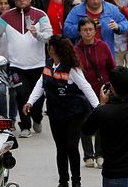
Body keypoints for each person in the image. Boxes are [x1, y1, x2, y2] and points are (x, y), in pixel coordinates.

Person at [24, 35, 100, 187]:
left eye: (51, 48)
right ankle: (63, 181)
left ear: (57, 50)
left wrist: (98, 108)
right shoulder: (49, 66)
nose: (49, 51)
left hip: (74, 113)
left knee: (72, 146)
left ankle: (76, 181)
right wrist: (30, 102)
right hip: (55, 113)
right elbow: (41, 84)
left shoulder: (71, 68)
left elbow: (86, 88)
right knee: (61, 147)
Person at [0, 0, 52, 138]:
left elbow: (49, 36)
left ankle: (37, 117)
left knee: (39, 97)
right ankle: (25, 126)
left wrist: (38, 35)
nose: (22, 0)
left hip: (38, 65)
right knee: (21, 95)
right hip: (16, 66)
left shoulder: (40, 15)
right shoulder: (6, 17)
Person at [75, 17, 115, 168]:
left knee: (102, 122)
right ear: (79, 32)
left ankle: (100, 154)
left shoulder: (103, 46)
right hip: (82, 92)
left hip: (102, 91)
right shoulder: (76, 50)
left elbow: (112, 66)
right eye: (84, 29)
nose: (88, 32)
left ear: (95, 30)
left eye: (90, 29)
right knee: (85, 122)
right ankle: (88, 155)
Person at [62, 0, 128, 58]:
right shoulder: (77, 10)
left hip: (105, 55)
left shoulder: (111, 9)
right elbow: (66, 30)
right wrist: (83, 27)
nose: (96, 1)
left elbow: (125, 23)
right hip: (83, 55)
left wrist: (118, 27)